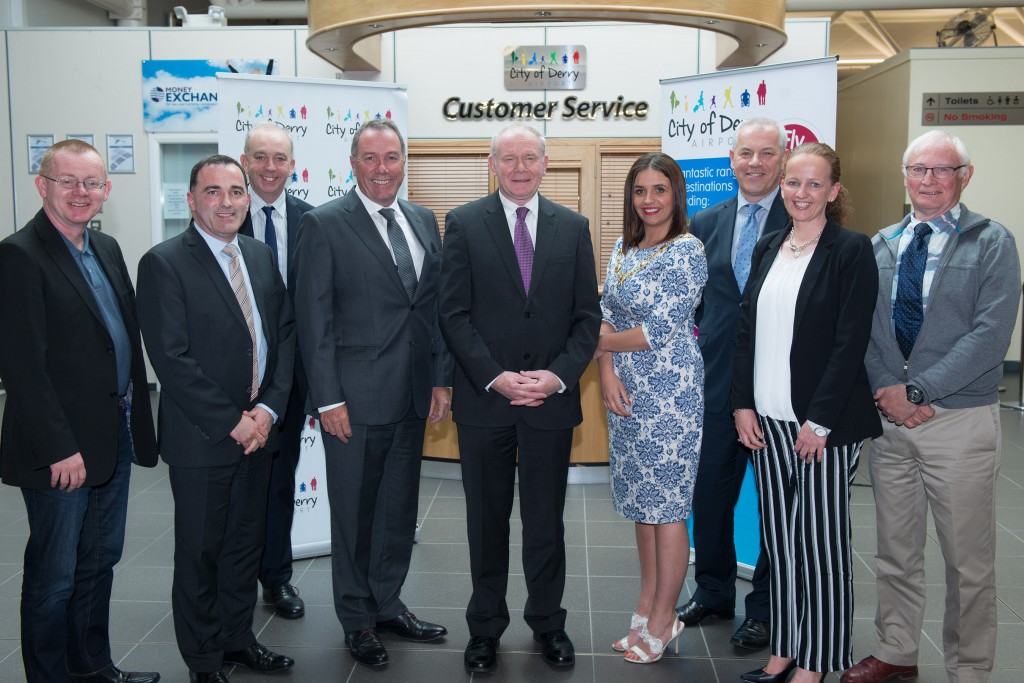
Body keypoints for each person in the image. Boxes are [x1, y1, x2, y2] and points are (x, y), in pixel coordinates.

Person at [842, 131, 1020, 683]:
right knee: (895, 551)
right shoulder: (882, 242)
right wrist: (888, 391)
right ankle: (897, 651)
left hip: (958, 423)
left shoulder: (992, 242)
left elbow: (990, 336)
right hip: (892, 424)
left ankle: (969, 668)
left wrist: (917, 392)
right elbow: (866, 330)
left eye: (942, 171)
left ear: (964, 176)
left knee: (967, 563)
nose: (928, 180)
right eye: (918, 169)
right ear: (904, 175)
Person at [439, 122, 601, 673]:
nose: (520, 167)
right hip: (486, 401)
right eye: (509, 158)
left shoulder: (573, 228)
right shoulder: (462, 224)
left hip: (549, 403)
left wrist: (556, 378)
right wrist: (495, 376)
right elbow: (453, 314)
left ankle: (548, 623)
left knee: (544, 522)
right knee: (485, 522)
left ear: (545, 163)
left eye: (530, 156)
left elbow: (587, 318)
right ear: (493, 164)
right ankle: (484, 628)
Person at [293, 119, 453, 667]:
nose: (382, 168)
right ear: (353, 163)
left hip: (410, 395)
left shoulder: (423, 219)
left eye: (391, 157)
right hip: (353, 403)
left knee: (396, 509)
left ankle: (387, 603)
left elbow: (432, 309)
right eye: (371, 158)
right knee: (354, 516)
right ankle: (357, 619)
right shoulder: (324, 224)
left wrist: (440, 378)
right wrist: (328, 398)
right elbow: (314, 320)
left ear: (403, 161)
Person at [0, 140, 161, 683]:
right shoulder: (19, 254)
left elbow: (122, 339)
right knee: (55, 574)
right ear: (42, 184)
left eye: (91, 183)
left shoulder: (108, 248)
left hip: (110, 430)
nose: (80, 192)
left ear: (106, 191)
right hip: (61, 448)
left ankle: (93, 667)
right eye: (67, 181)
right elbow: (22, 368)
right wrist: (58, 448)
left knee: (98, 561)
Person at [136, 155, 296, 683]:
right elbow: (171, 358)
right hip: (205, 438)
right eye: (213, 192)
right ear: (191, 199)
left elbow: (283, 337)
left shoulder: (258, 255)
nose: (226, 202)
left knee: (244, 548)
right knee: (201, 554)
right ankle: (203, 660)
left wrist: (269, 409)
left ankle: (236, 638)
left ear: (248, 198)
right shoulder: (163, 263)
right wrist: (234, 421)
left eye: (235, 191)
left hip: (260, 433)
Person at [732, 143, 880, 683]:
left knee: (819, 549)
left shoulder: (850, 250)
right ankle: (784, 650)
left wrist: (820, 422)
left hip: (820, 429)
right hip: (766, 424)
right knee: (782, 546)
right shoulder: (769, 245)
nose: (801, 193)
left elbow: (849, 343)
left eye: (814, 184)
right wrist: (741, 404)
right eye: (793, 182)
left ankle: (817, 661)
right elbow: (745, 333)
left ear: (834, 191)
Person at [678, 117, 788, 651]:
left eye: (767, 154)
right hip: (717, 384)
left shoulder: (803, 217)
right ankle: (714, 591)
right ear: (731, 159)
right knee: (712, 497)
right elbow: (695, 304)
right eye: (747, 153)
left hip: (780, 389)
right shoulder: (706, 221)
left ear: (783, 160)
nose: (756, 163)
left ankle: (764, 608)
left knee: (776, 506)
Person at [595, 152, 706, 663]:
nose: (649, 200)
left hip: (671, 394)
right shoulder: (622, 246)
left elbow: (656, 331)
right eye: (640, 190)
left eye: (659, 190)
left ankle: (665, 617)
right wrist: (605, 370)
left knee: (667, 509)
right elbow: (603, 316)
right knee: (641, 506)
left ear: (675, 194)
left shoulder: (688, 251)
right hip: (625, 391)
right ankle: (643, 607)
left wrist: (601, 348)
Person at [238, 123, 314, 620]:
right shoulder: (223, 214)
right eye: (260, 157)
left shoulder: (314, 221)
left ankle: (277, 577)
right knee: (237, 488)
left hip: (296, 375)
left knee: (281, 481)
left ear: (293, 165)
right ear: (245, 161)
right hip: (238, 376)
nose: (270, 167)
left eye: (279, 158)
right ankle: (234, 582)